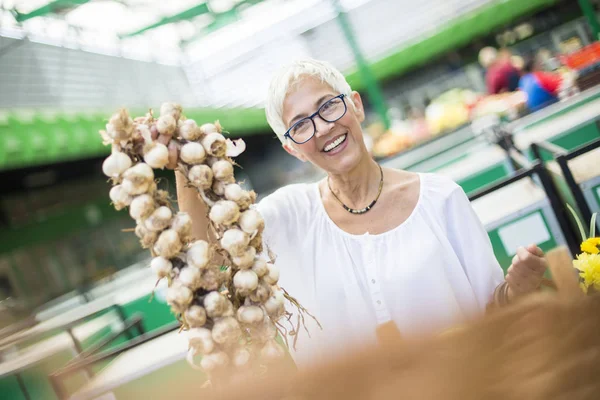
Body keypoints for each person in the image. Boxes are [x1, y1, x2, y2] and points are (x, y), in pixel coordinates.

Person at [169, 59, 548, 367]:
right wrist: (182, 166)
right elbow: (204, 256)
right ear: (293, 149)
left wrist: (517, 289)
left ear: (356, 105)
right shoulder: (287, 217)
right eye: (300, 125)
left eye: (329, 106)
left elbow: (494, 311)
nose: (322, 128)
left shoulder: (441, 199)